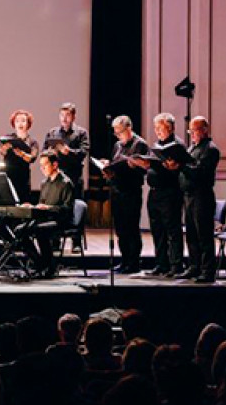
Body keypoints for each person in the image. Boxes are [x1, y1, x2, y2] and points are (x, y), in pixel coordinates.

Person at [130, 113, 184, 277]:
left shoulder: (177, 146)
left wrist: (163, 166)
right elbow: (155, 167)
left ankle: (176, 265)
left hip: (170, 193)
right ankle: (161, 264)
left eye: (160, 128)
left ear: (170, 128)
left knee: (172, 231)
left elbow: (176, 171)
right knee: (158, 230)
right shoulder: (157, 145)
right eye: (156, 128)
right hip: (155, 193)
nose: (157, 131)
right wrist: (143, 165)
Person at [168, 116, 221, 283]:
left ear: (205, 130)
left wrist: (182, 166)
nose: (191, 134)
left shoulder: (210, 149)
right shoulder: (192, 148)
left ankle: (207, 271)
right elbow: (187, 168)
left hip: (201, 196)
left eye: (195, 130)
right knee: (191, 234)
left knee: (203, 234)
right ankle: (194, 266)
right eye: (190, 131)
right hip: (188, 195)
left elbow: (200, 172)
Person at [12, 151, 74, 278]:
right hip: (45, 218)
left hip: (60, 220)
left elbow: (67, 209)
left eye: (45, 165)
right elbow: (42, 205)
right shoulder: (44, 183)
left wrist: (49, 208)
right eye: (40, 166)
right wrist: (32, 207)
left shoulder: (66, 183)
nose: (42, 169)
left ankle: (49, 266)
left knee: (40, 230)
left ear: (55, 165)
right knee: (20, 230)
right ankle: (39, 262)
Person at [99, 115, 149, 274]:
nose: (118, 135)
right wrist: (108, 168)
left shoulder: (139, 144)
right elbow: (115, 164)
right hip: (117, 190)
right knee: (120, 228)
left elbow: (143, 169)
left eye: (120, 132)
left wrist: (132, 165)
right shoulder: (117, 145)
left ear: (129, 128)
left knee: (131, 227)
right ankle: (125, 260)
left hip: (131, 191)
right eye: (116, 132)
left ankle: (134, 262)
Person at [44, 102, 89, 251]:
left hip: (74, 176)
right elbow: (45, 151)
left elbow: (84, 152)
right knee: (56, 207)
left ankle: (76, 242)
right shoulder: (53, 132)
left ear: (73, 116)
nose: (64, 118)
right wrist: (52, 152)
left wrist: (69, 152)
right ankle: (55, 241)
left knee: (75, 207)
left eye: (68, 115)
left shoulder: (81, 132)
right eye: (62, 115)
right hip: (56, 177)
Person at [0, 110, 39, 204]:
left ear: (28, 123)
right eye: (17, 121)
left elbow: (32, 158)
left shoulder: (32, 142)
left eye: (23, 120)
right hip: (8, 175)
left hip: (22, 178)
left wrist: (21, 154)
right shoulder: (7, 138)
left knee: (22, 204)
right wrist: (4, 148)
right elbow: (2, 152)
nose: (20, 123)